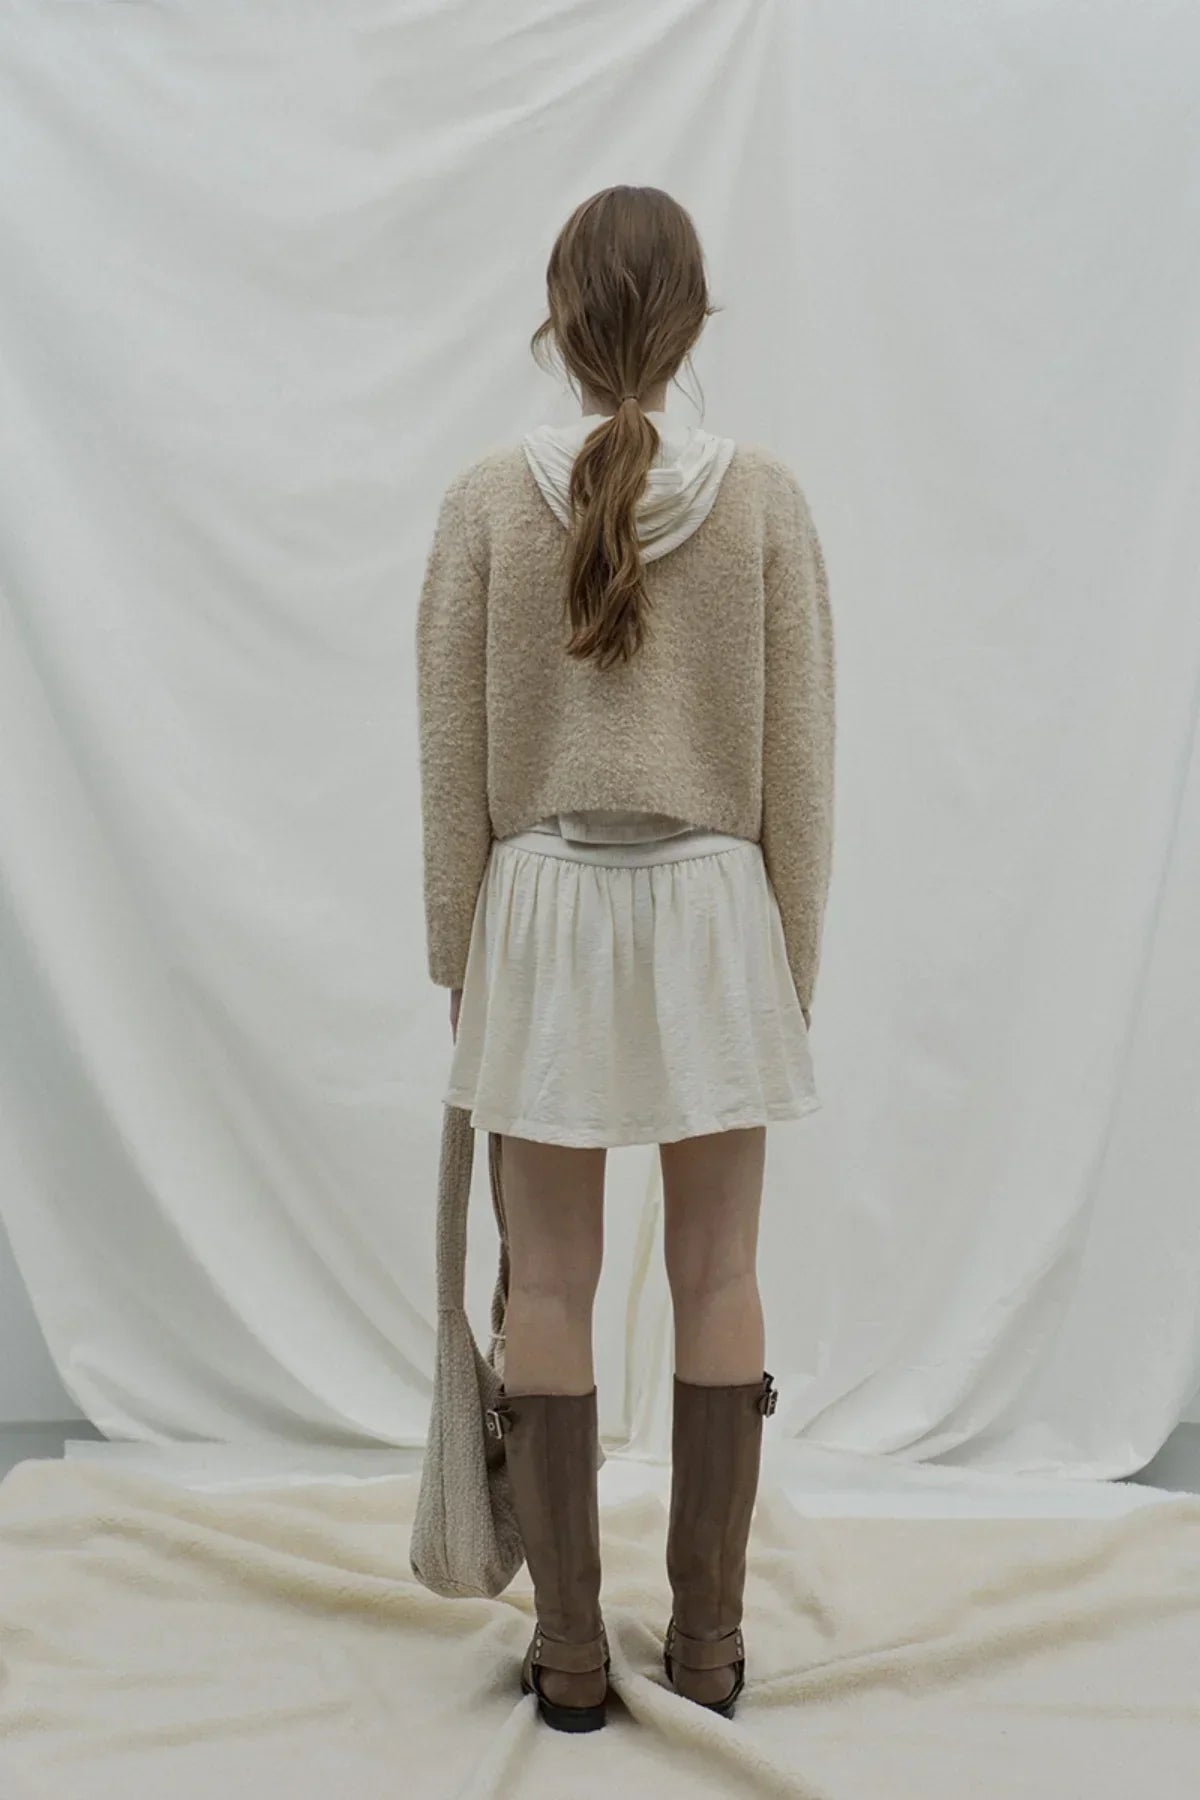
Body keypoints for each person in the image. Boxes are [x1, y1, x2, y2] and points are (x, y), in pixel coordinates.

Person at [415, 184, 835, 1733]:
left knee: (555, 1282)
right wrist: (793, 954)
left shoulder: (478, 503)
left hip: (541, 908)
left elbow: (448, 752)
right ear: (693, 321)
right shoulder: (769, 500)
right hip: (719, 908)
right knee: (723, 1270)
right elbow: (804, 759)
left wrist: (461, 948)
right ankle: (712, 1648)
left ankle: (573, 1656)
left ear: (558, 321)